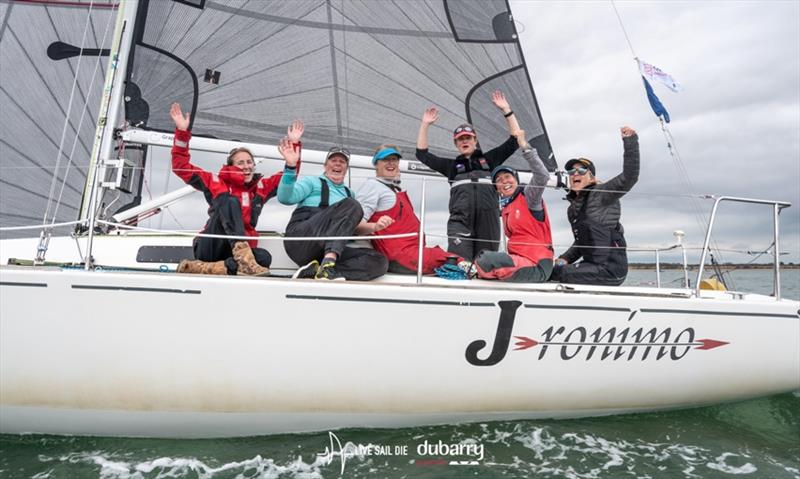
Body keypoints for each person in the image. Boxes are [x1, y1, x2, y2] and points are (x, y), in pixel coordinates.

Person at [169, 102, 297, 276]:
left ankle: (202, 268)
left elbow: (290, 175)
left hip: (240, 257)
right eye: (240, 163)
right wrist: (182, 132)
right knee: (229, 201)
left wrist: (292, 155)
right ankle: (241, 258)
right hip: (211, 245)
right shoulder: (215, 181)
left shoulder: (260, 188)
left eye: (249, 162)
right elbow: (180, 166)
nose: (246, 166)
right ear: (231, 166)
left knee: (264, 257)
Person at [415, 90, 520, 261]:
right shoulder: (451, 167)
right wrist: (425, 124)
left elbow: (515, 140)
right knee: (460, 263)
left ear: (475, 140)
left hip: (489, 221)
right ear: (456, 143)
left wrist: (506, 109)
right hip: (460, 222)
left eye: (468, 138)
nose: (465, 141)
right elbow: (422, 155)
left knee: (485, 266)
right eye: (460, 139)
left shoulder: (490, 159)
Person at [277, 140, 388, 281]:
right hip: (301, 240)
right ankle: (328, 263)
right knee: (352, 204)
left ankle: (322, 271)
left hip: (324, 251)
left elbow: (353, 227)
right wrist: (291, 166)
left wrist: (376, 226)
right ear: (325, 166)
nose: (337, 164)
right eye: (333, 160)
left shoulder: (349, 193)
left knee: (379, 261)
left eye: (342, 162)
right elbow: (285, 198)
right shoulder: (312, 182)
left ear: (346, 169)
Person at [550, 126, 640, 286]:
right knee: (554, 269)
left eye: (581, 170)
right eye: (571, 172)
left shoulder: (601, 193)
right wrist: (564, 258)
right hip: (591, 266)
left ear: (592, 177)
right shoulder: (572, 209)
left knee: (555, 273)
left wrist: (630, 141)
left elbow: (630, 176)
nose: (575, 174)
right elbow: (581, 243)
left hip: (610, 269)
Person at [355, 144, 461, 274]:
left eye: (394, 159)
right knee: (456, 261)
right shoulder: (372, 186)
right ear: (376, 164)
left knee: (453, 260)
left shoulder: (391, 189)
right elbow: (356, 224)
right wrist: (375, 227)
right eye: (385, 159)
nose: (391, 163)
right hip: (401, 255)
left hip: (413, 251)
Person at [468, 130, 553, 282]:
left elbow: (542, 176)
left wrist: (524, 146)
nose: (504, 181)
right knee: (484, 257)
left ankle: (472, 271)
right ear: (497, 188)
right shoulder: (506, 207)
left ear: (516, 180)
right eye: (499, 180)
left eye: (508, 177)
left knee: (487, 259)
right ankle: (476, 271)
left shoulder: (529, 197)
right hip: (519, 260)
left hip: (536, 263)